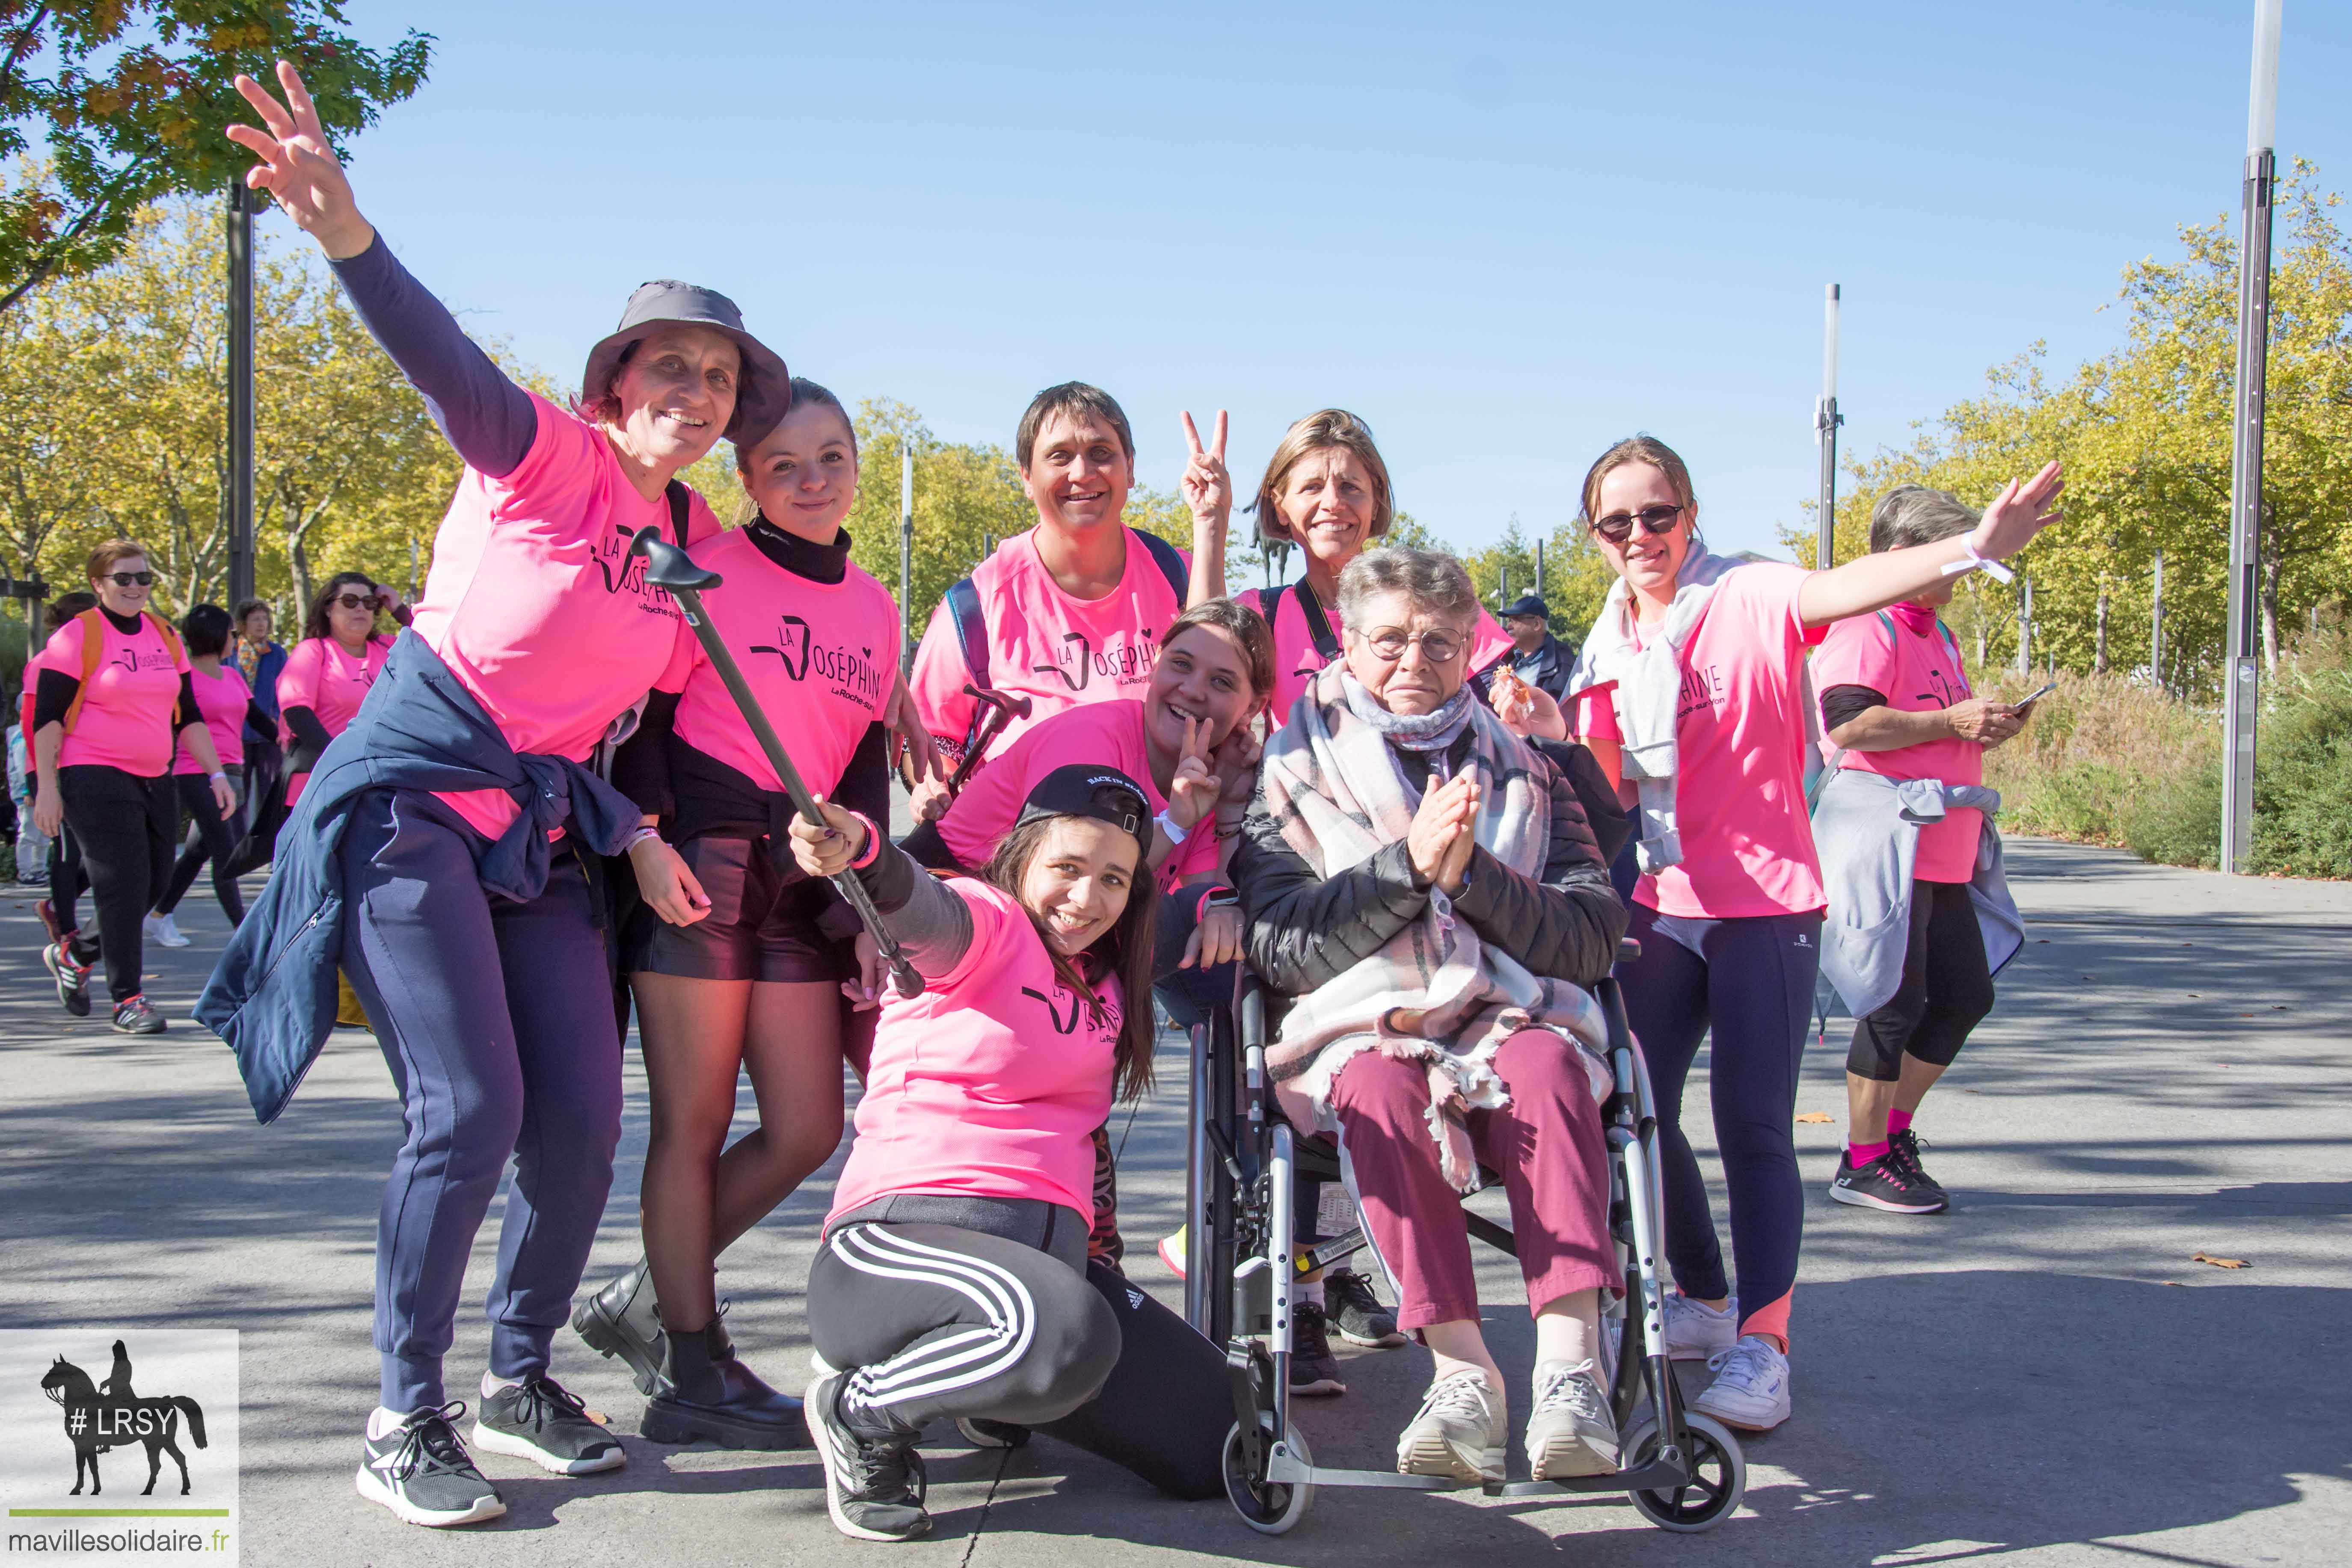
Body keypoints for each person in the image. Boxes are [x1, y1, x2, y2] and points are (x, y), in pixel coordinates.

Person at [199, 61, 794, 1529]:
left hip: (538, 830)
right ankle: (404, 1409)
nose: (698, 392)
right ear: (615, 381)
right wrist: (345, 230)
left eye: (718, 379)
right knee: (469, 1108)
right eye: (673, 365)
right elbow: (432, 354)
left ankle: (520, 1374)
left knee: (584, 1119)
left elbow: (630, 726)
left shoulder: (689, 546)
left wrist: (645, 834)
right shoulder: (546, 455)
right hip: (409, 803)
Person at [1563, 436, 2061, 1432]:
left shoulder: (1742, 594)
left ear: (1689, 513)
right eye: (1617, 522)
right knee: (1629, 1109)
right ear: (1595, 535)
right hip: (1662, 904)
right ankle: (1700, 1299)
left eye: (1657, 515)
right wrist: (1548, 732)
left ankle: (1765, 1339)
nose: (1639, 537)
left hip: (1766, 904)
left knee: (1752, 1126)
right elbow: (1608, 798)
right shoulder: (1606, 639)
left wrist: (1971, 546)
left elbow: (1850, 584)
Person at [1232, 545, 1628, 1485]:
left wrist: (1473, 877)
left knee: (1548, 1066)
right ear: (1348, 642)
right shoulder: (1291, 768)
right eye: (1392, 639)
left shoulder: (1529, 770)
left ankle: (1574, 1372)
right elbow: (1281, 943)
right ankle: (1463, 1373)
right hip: (1361, 1027)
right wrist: (1407, 868)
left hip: (1508, 1018)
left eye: (1442, 643)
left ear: (1472, 651)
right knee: (1375, 1083)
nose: (1416, 659)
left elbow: (1591, 937)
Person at [573, 380, 899, 1450]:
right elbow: (651, 715)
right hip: (703, 848)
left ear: (857, 460)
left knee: (808, 1123)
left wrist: (861, 895)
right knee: (696, 1122)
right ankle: (691, 1359)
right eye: (783, 465)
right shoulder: (704, 559)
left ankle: (646, 1292)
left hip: (805, 870)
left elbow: (862, 763)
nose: (811, 480)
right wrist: (650, 835)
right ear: (746, 477)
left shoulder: (878, 605)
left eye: (832, 457)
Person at [789, 767, 1236, 1541]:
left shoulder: (1106, 982)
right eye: (1065, 868)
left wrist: (1219, 877)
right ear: (1022, 859)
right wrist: (864, 850)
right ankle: (859, 1411)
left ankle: (991, 1384)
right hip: (894, 1257)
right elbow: (921, 905)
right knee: (1062, 1330)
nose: (1086, 899)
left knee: (1218, 1444)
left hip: (1040, 1274)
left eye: (1112, 880)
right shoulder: (990, 925)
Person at [1811, 485, 2027, 1214]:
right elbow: (1848, 725)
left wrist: (1980, 725)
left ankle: (1890, 1135)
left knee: (1966, 995)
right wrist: (1949, 724)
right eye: (1952, 561)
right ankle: (1862, 1160)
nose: (1960, 577)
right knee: (1891, 1003)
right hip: (1888, 841)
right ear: (1904, 555)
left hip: (1941, 845)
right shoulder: (1866, 622)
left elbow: (1940, 721)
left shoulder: (1935, 629)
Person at [905, 388, 1229, 804]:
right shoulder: (977, 603)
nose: (1082, 472)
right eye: (1059, 456)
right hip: (1017, 850)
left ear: (1129, 469)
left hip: (1160, 845)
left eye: (1100, 453)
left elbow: (1219, 682)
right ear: (1026, 477)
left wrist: (1210, 524)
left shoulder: (1181, 576)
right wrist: (932, 783)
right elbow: (930, 735)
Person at [30, 541, 238, 1033]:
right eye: (123, 578)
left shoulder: (165, 634)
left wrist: (216, 774)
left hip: (155, 773)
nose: (135, 587)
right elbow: (48, 720)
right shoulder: (78, 636)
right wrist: (46, 788)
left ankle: (76, 954)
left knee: (158, 879)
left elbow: (188, 715)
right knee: (121, 881)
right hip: (92, 771)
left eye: (143, 578)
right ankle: (128, 999)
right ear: (99, 583)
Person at [1234, 409, 1518, 728]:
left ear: (1376, 499)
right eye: (1312, 487)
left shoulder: (1438, 597)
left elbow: (1507, 722)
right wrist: (1210, 524)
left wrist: (1536, 722)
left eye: (1350, 487)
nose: (1332, 503)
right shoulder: (1261, 614)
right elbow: (1200, 689)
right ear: (1280, 506)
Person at [145, 605, 275, 946]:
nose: (235, 638)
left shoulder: (233, 676)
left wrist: (292, 741)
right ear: (219, 636)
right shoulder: (183, 678)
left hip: (233, 772)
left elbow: (258, 718)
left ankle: (159, 914)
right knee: (225, 849)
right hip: (196, 772)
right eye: (232, 633)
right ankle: (246, 934)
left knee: (196, 853)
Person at [276, 572, 402, 808]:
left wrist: (398, 608)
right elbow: (297, 714)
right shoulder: (313, 651)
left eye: (369, 603)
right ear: (328, 609)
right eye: (350, 601)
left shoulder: (390, 648)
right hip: (320, 786)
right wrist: (342, 759)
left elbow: (436, 645)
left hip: (377, 786)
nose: (361, 609)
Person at [27, 591, 98, 1001]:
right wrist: (44, 779)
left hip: (85, 766)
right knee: (68, 850)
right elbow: (36, 719)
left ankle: (57, 908)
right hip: (51, 768)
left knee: (97, 852)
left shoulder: (89, 656)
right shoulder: (46, 662)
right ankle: (68, 930)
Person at [1501, 593, 1576, 705]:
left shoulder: (1561, 660)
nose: (1509, 626)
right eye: (1509, 621)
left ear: (1537, 624)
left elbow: (1560, 707)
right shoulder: (1511, 663)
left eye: (1516, 620)